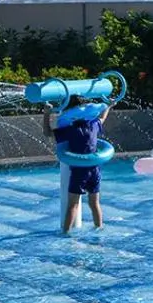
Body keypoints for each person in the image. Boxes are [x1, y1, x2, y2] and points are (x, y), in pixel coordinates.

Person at [43, 97, 111, 233]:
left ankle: (66, 234)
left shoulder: (69, 129)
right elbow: (103, 117)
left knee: (73, 205)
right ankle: (99, 228)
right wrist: (109, 105)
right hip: (95, 169)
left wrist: (46, 114)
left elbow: (47, 133)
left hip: (79, 171)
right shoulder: (93, 125)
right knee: (94, 203)